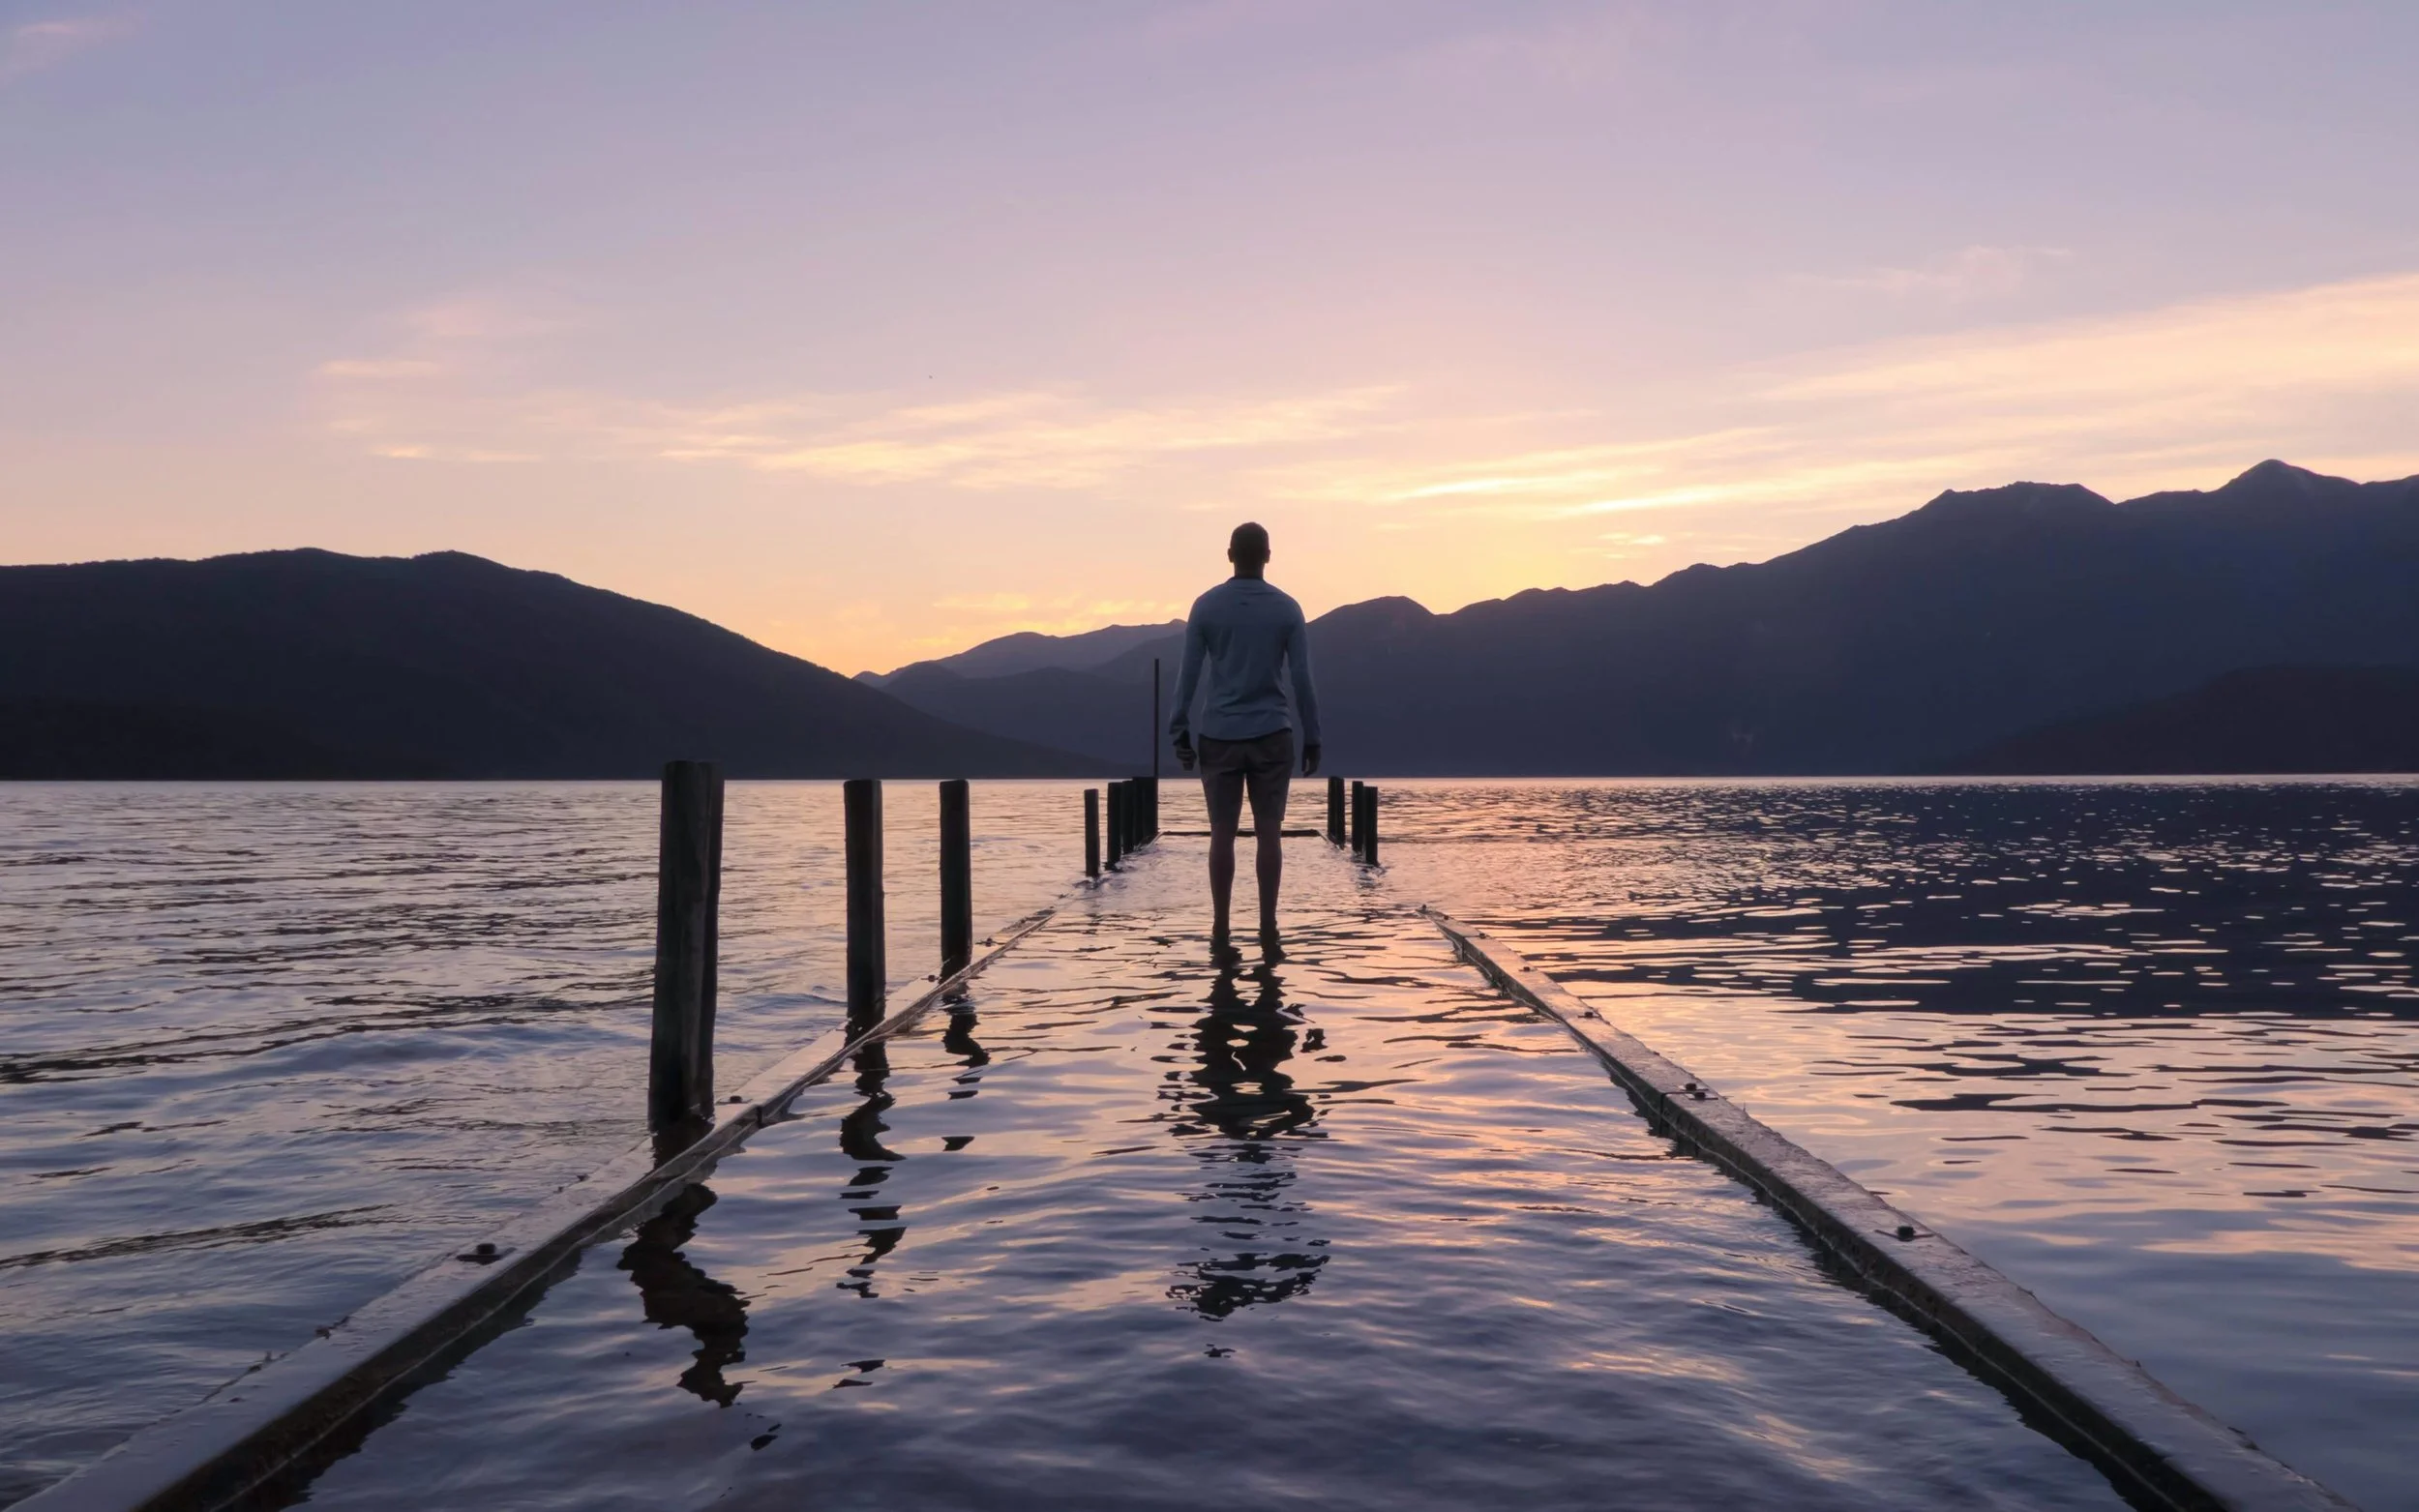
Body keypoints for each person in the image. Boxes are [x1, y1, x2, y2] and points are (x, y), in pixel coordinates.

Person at [1169, 521, 1321, 965]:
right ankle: (1268, 927)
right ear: (1268, 556)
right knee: (1269, 833)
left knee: (1222, 834)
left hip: (1218, 734)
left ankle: (1220, 927)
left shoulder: (1206, 607)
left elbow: (1189, 675)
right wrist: (1313, 735)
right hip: (1274, 733)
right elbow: (1301, 679)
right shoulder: (1287, 609)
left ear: (1229, 554)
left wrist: (1178, 728)